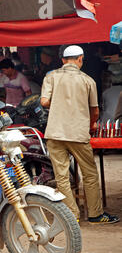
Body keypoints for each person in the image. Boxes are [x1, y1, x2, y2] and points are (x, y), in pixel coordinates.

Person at [40, 45, 119, 224]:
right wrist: (90, 125)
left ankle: (71, 215)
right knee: (89, 174)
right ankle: (95, 214)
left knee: (61, 177)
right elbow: (96, 112)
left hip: (55, 133)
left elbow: (44, 101)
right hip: (78, 133)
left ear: (62, 60)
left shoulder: (50, 77)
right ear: (81, 59)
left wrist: (59, 103)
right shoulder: (87, 80)